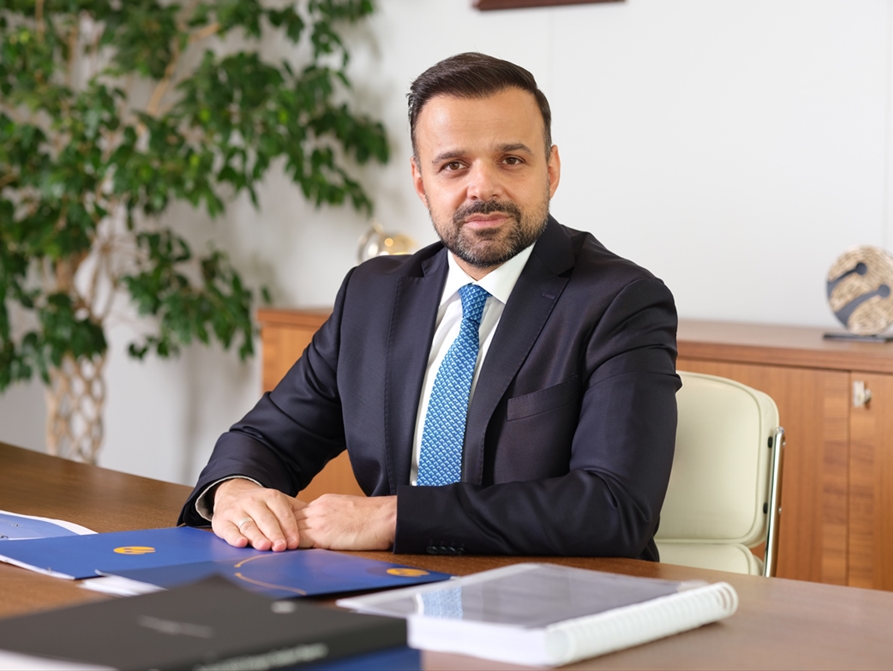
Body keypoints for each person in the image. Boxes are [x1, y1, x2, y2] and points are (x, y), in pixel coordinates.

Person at [178, 52, 679, 559]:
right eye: (453, 166)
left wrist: (394, 517)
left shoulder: (620, 301)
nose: (482, 188)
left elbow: (615, 508)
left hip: (550, 593)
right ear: (421, 182)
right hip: (389, 587)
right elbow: (267, 439)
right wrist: (235, 490)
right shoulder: (371, 295)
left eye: (511, 160)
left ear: (550, 170)